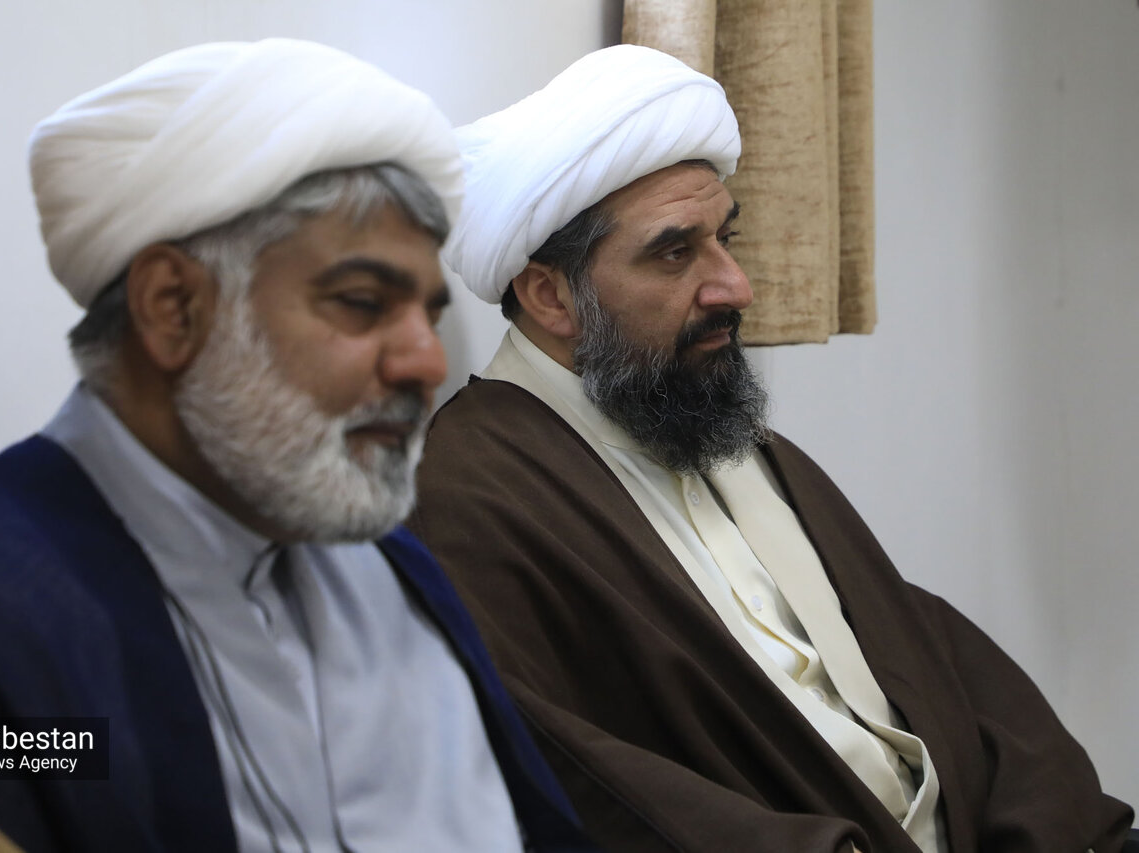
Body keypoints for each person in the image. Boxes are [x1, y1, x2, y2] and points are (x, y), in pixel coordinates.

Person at [0, 39, 596, 853]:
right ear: (173, 307)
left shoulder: (395, 570)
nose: (427, 361)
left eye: (427, 314)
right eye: (362, 302)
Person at [409, 44, 1135, 853]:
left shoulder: (707, 424)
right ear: (551, 296)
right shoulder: (471, 494)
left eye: (726, 238)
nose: (735, 286)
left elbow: (924, 653)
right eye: (675, 252)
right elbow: (581, 783)